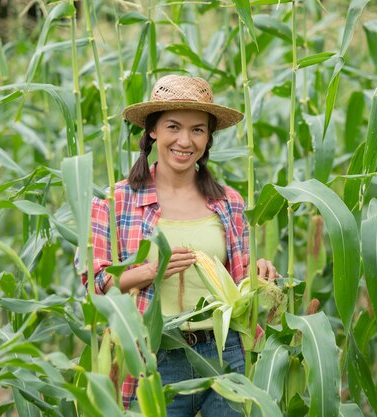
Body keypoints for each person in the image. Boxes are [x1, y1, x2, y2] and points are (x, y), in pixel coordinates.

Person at [84, 74, 278, 417]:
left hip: (225, 352)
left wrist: (259, 273)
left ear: (208, 137)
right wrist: (149, 272)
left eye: (198, 130)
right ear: (153, 130)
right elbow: (96, 283)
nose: (185, 141)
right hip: (156, 354)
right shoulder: (114, 202)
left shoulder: (229, 202)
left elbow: (238, 274)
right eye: (174, 127)